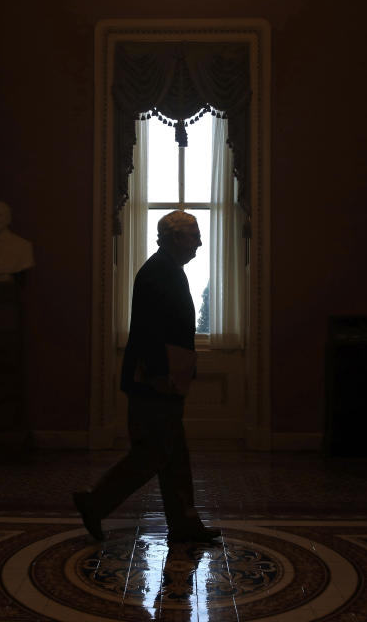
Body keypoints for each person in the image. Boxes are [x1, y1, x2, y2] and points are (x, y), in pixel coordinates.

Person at [73, 211, 220, 544]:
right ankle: (94, 502)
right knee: (153, 453)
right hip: (154, 382)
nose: (199, 241)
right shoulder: (159, 273)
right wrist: (159, 375)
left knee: (172, 453)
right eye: (193, 235)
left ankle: (184, 522)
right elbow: (149, 333)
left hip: (160, 379)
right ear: (173, 238)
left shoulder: (165, 270)